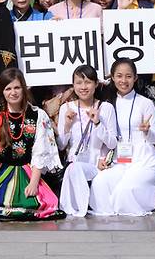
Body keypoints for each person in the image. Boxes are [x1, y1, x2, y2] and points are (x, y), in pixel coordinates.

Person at [0, 68, 64, 220]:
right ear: (2, 91)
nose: (13, 92)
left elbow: (40, 151)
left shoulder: (37, 114)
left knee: (37, 203)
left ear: (24, 88)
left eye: (17, 87)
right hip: (0, 172)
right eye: (8, 89)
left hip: (29, 171)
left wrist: (34, 183)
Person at [89, 58, 155, 216]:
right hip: (120, 160)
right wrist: (103, 158)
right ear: (112, 78)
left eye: (128, 76)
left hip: (143, 160)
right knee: (100, 183)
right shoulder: (107, 105)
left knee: (124, 191)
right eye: (119, 76)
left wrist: (147, 132)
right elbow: (108, 139)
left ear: (135, 78)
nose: (123, 80)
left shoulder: (145, 103)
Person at [56, 64, 116, 216]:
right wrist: (67, 126)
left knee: (76, 169)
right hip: (73, 164)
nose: (83, 87)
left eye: (88, 82)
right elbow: (61, 145)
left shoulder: (106, 108)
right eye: (79, 83)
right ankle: (80, 207)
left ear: (96, 84)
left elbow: (112, 143)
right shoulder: (66, 108)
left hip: (96, 165)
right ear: (73, 85)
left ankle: (79, 208)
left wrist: (98, 123)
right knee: (74, 168)